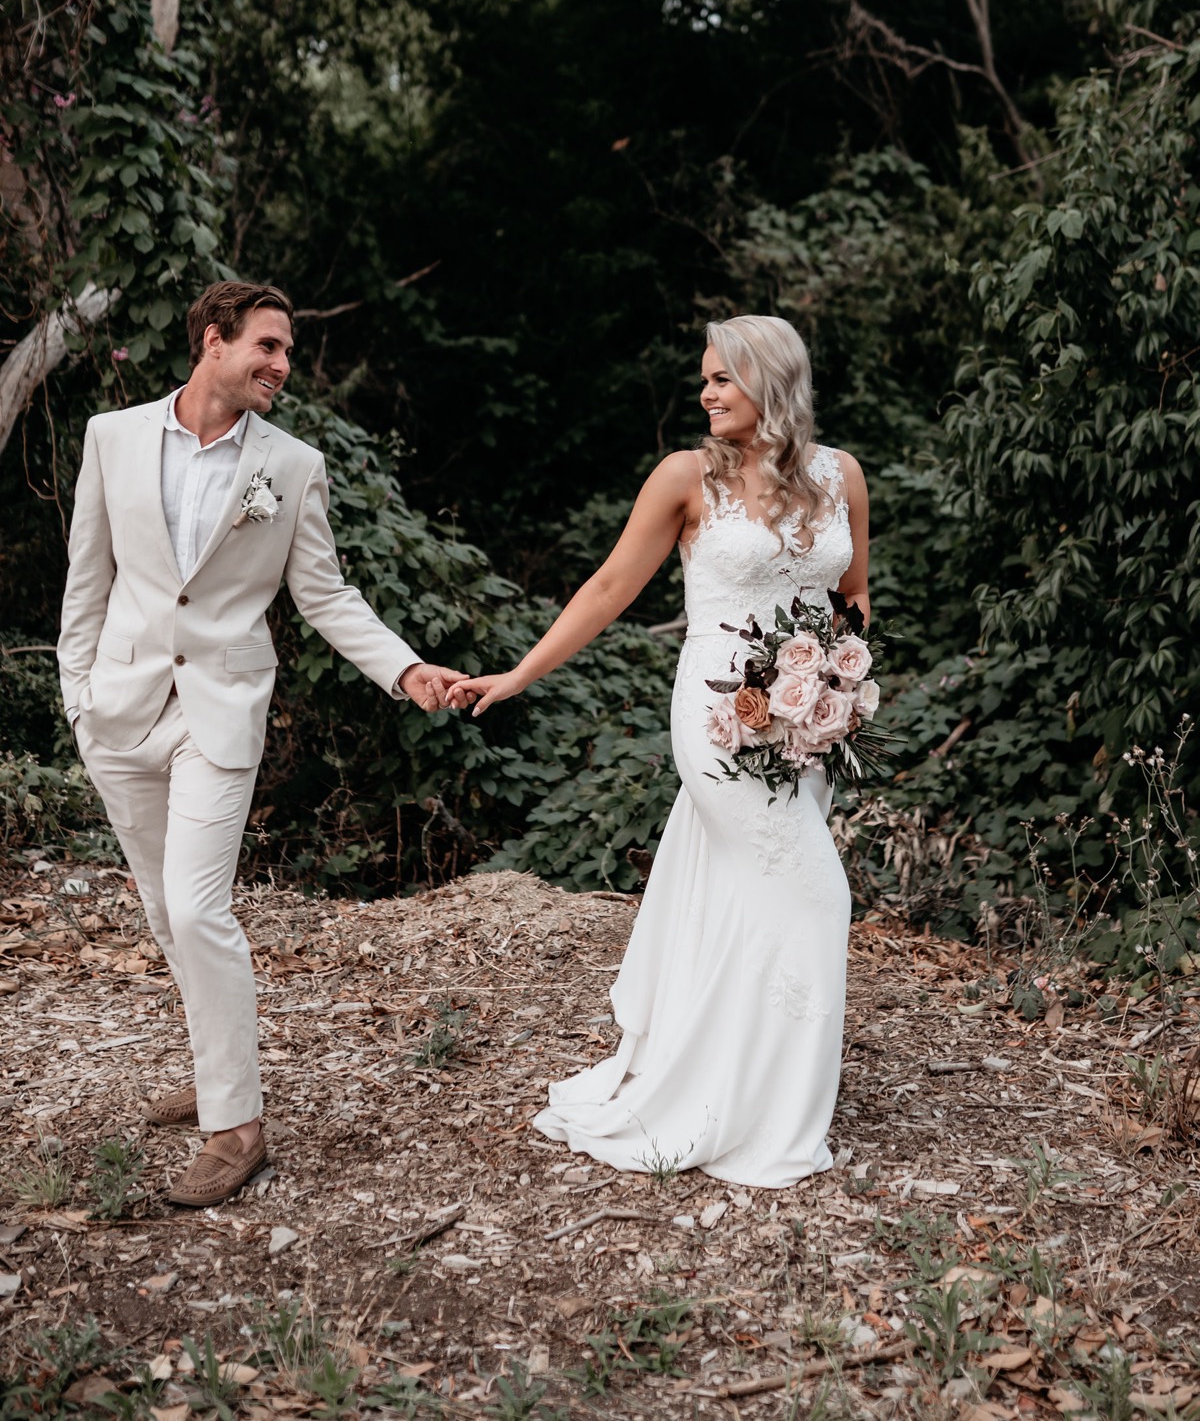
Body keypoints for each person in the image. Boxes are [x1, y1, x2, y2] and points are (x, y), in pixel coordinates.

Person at [58, 281, 466, 1205]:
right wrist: (78, 697)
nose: (283, 364)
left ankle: (237, 1128)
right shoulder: (112, 437)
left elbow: (325, 595)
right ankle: (217, 1069)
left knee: (197, 907)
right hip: (119, 708)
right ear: (215, 339)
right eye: (268, 346)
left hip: (219, 712)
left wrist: (405, 669)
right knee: (164, 911)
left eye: (286, 350)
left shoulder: (292, 464)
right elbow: (88, 579)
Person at [451, 315, 868, 1186]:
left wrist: (840, 686)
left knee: (753, 898)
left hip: (806, 721)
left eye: (722, 378)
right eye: (704, 379)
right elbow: (609, 587)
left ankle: (739, 1079)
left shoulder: (843, 476)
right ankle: (774, 1120)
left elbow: (853, 595)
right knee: (819, 895)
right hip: (719, 718)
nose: (706, 393)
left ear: (771, 380)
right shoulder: (686, 477)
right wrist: (518, 675)